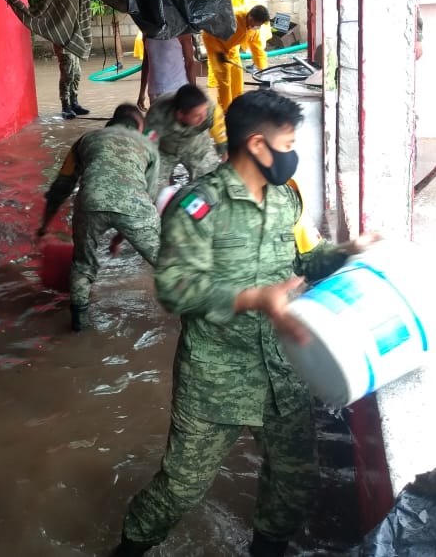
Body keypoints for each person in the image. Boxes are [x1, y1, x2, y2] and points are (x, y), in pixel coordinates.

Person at [113, 89, 379, 557]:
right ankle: (129, 549)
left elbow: (300, 260)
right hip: (216, 379)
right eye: (289, 141)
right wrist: (253, 298)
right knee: (181, 488)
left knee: (295, 482)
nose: (292, 153)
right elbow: (174, 289)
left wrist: (346, 253)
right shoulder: (199, 206)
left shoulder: (285, 198)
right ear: (257, 144)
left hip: (282, 370)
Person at [38, 104, 160, 331]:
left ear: (111, 122)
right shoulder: (148, 146)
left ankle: (79, 324)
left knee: (82, 265)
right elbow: (150, 197)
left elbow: (61, 187)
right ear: (139, 125)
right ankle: (198, 311)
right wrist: (119, 239)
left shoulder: (86, 139)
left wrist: (44, 227)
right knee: (166, 260)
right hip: (134, 205)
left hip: (89, 202)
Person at [143, 84, 220, 193]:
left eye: (204, 112)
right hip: (165, 151)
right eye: (197, 115)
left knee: (211, 184)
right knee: (153, 188)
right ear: (180, 115)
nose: (203, 118)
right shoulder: (158, 114)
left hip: (198, 147)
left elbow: (223, 139)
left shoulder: (210, 108)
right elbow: (147, 146)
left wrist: (225, 152)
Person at [202, 3, 272, 113]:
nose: (257, 27)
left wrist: (263, 71)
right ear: (250, 17)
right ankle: (227, 110)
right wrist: (218, 52)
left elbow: (257, 50)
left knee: (237, 73)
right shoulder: (231, 16)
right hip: (214, 42)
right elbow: (210, 32)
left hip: (231, 45)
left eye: (260, 25)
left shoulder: (254, 28)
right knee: (224, 75)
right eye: (257, 24)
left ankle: (238, 103)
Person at [137, 33, 197, 112]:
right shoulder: (147, 32)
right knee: (159, 123)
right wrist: (142, 92)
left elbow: (189, 63)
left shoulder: (182, 32)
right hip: (154, 91)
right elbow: (146, 62)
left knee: (176, 122)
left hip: (178, 90)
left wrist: (194, 92)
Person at [54, 43, 90, 120]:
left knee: (77, 73)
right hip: (63, 42)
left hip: (73, 42)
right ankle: (65, 106)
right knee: (67, 74)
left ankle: (74, 104)